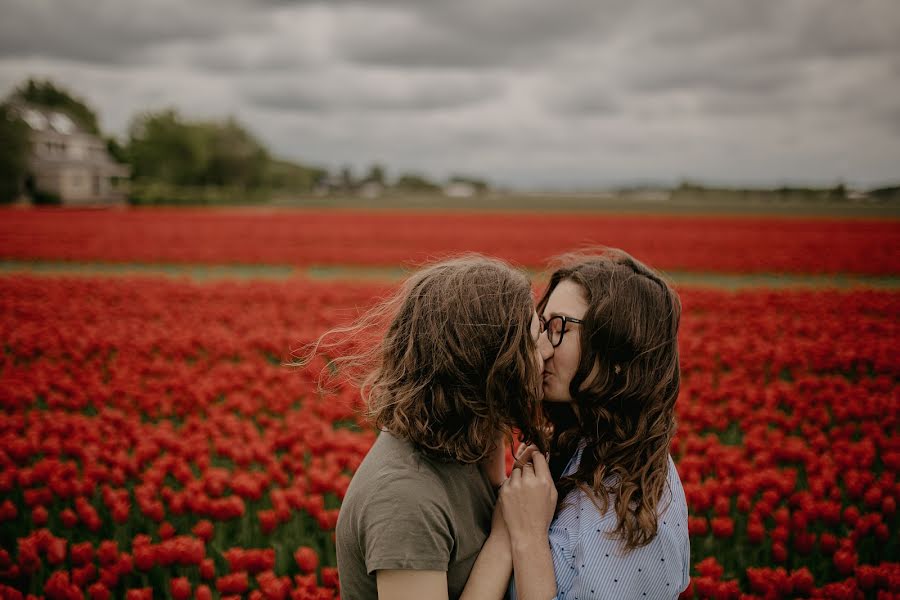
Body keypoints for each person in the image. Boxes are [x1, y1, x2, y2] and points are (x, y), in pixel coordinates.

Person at [306, 255, 554, 600]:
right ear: (490, 361)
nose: (546, 349)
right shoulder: (405, 498)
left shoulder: (471, 439)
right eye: (534, 336)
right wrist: (506, 536)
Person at [496, 248, 691, 600]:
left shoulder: (634, 510)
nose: (541, 346)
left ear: (619, 353)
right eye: (542, 324)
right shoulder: (577, 449)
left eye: (559, 327)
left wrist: (528, 538)